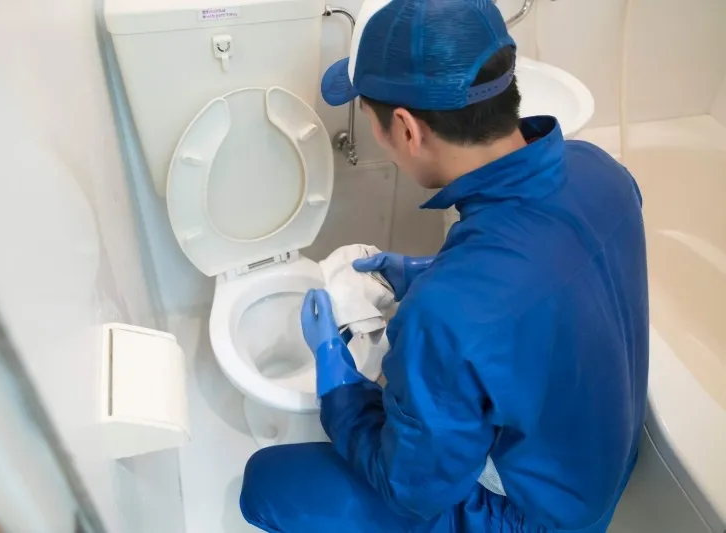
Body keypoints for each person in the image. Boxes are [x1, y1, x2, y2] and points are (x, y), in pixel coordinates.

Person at [240, 0, 649, 531]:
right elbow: (548, 273)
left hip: (535, 518)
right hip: (594, 468)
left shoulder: (445, 316)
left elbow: (410, 489)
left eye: (373, 122)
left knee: (267, 484)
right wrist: (428, 270)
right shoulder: (602, 170)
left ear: (407, 128)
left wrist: (339, 388)